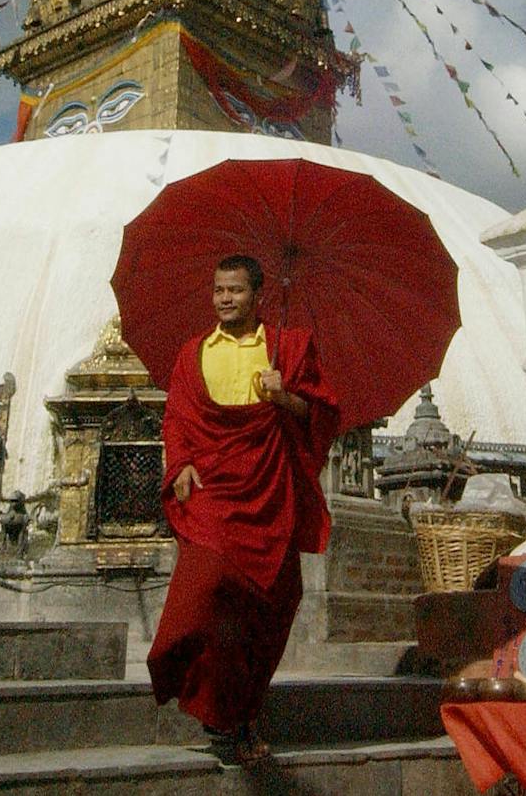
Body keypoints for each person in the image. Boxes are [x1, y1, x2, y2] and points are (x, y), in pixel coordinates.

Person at [147, 253, 341, 767]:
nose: (224, 299)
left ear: (258, 296)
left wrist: (286, 397)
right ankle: (185, 673)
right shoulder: (193, 353)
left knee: (269, 605)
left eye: (234, 290)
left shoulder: (288, 347)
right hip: (212, 490)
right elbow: (177, 418)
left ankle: (234, 715)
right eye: (217, 290)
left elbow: (322, 414)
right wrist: (181, 464)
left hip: (269, 490)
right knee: (204, 589)